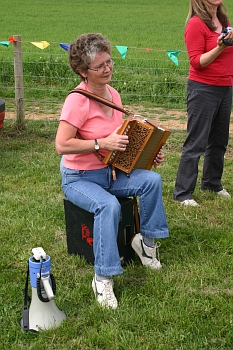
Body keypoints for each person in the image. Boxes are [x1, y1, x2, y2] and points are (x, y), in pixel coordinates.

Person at [55, 33, 169, 309]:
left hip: (111, 172)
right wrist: (99, 143)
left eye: (109, 62)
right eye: (100, 66)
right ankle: (102, 277)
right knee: (108, 206)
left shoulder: (113, 94)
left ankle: (146, 245)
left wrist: (148, 154)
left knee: (151, 181)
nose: (107, 69)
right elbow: (61, 144)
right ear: (83, 72)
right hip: (79, 178)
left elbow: (119, 142)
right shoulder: (77, 101)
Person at [173, 0, 233, 206]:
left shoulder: (224, 20)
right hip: (203, 89)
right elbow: (197, 63)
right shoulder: (196, 24)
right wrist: (221, 46)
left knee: (219, 141)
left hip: (225, 87)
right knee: (196, 142)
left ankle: (211, 183)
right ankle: (183, 193)